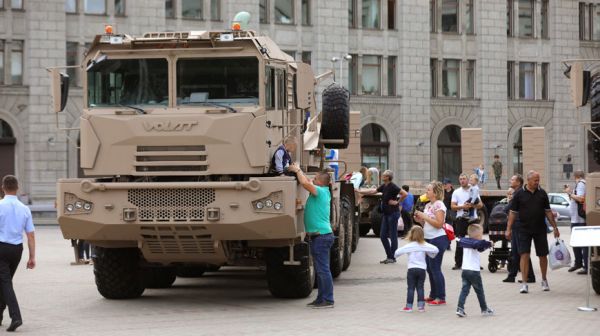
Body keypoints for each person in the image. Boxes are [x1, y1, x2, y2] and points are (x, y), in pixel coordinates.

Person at [287, 164, 335, 309]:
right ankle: (321, 298)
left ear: (320, 182)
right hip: (321, 236)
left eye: (315, 178)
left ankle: (328, 299)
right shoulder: (323, 191)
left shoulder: (319, 191)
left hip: (321, 237)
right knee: (321, 270)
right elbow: (308, 181)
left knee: (323, 270)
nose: (312, 179)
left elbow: (304, 182)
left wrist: (297, 170)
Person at [506, 170, 560, 294]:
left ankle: (544, 280)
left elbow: (548, 212)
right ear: (529, 180)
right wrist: (508, 229)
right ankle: (524, 283)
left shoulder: (542, 193)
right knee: (524, 255)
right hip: (523, 229)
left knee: (542, 255)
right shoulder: (519, 194)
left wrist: (555, 228)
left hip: (540, 229)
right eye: (535, 180)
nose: (537, 182)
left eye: (538, 180)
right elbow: (512, 213)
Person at [0, 175, 36, 332]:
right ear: (17, 188)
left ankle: (16, 317)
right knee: (4, 282)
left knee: (5, 283)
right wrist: (32, 257)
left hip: (1, 248)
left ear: (3, 187)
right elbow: (31, 235)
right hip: (17, 250)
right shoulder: (25, 208)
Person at [413, 181, 449, 306]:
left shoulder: (439, 204)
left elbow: (439, 224)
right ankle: (434, 294)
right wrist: (420, 220)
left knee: (435, 268)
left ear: (435, 192)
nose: (426, 192)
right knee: (429, 268)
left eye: (428, 190)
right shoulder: (428, 205)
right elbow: (427, 224)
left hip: (438, 239)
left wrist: (425, 216)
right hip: (428, 238)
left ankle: (441, 296)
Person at [360, 170, 407, 264]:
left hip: (393, 213)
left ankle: (392, 257)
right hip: (386, 214)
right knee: (382, 235)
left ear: (388, 177)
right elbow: (373, 191)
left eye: (384, 175)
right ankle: (389, 256)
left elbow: (405, 194)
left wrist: (397, 202)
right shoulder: (384, 186)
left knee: (393, 235)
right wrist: (360, 191)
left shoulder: (393, 186)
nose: (382, 176)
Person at [394, 226, 439, 313]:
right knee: (420, 287)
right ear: (422, 235)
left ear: (411, 234)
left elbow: (396, 253)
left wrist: (396, 256)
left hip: (411, 269)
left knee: (411, 288)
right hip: (422, 269)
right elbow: (436, 250)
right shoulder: (425, 245)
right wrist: (430, 254)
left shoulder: (409, 246)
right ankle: (421, 307)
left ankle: (409, 307)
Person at [455, 224, 494, 317]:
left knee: (464, 290)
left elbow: (479, 248)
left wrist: (486, 245)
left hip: (465, 271)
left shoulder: (466, 242)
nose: (481, 237)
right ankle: (484, 309)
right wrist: (489, 243)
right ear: (477, 236)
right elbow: (479, 244)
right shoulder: (476, 243)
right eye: (481, 235)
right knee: (479, 291)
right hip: (474, 271)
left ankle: (460, 308)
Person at [502, 175, 536, 283]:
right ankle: (515, 275)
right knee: (518, 252)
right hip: (517, 225)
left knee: (521, 252)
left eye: (512, 180)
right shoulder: (518, 192)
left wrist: (508, 201)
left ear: (519, 182)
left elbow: (507, 209)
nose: (510, 181)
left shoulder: (518, 193)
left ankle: (527, 276)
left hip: (520, 226)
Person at [451, 173, 483, 270]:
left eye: (464, 179)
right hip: (461, 219)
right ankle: (458, 263)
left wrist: (473, 206)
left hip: (473, 218)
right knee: (460, 241)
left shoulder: (474, 189)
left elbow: (481, 205)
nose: (462, 181)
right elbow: (452, 207)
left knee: (476, 242)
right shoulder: (456, 192)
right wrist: (462, 207)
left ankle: (476, 263)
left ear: (468, 180)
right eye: (460, 179)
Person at [565, 170, 588, 275]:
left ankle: (585, 266)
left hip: (579, 219)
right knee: (576, 243)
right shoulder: (581, 184)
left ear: (576, 176)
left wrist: (569, 192)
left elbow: (581, 198)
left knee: (582, 243)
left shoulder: (581, 184)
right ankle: (578, 263)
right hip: (576, 218)